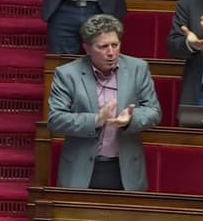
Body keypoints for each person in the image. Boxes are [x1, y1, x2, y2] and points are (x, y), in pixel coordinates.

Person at [47, 14, 161, 191]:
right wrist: (95, 121)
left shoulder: (137, 69)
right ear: (87, 48)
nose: (111, 52)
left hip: (126, 169)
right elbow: (56, 119)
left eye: (115, 45)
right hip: (80, 170)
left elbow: (153, 111)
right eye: (103, 46)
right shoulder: (67, 74)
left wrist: (130, 120)